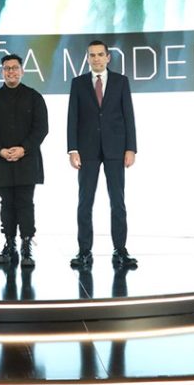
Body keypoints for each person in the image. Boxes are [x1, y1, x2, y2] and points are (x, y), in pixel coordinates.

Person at [67, 40, 137, 270]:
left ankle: (120, 250)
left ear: (108, 57)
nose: (96, 58)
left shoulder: (121, 81)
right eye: (92, 55)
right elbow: (72, 117)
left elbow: (128, 115)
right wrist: (72, 149)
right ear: (87, 58)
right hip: (86, 150)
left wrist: (131, 148)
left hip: (116, 149)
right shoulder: (78, 83)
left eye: (100, 54)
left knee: (118, 202)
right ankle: (84, 251)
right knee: (84, 202)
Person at [0, 54, 49, 266]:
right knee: (6, 204)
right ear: (2, 72)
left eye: (15, 68)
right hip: (1, 160)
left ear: (22, 71)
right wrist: (0, 150)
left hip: (27, 160)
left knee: (25, 203)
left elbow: (41, 129)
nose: (11, 71)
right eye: (7, 68)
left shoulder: (34, 97)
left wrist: (23, 149)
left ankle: (26, 246)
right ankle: (9, 244)